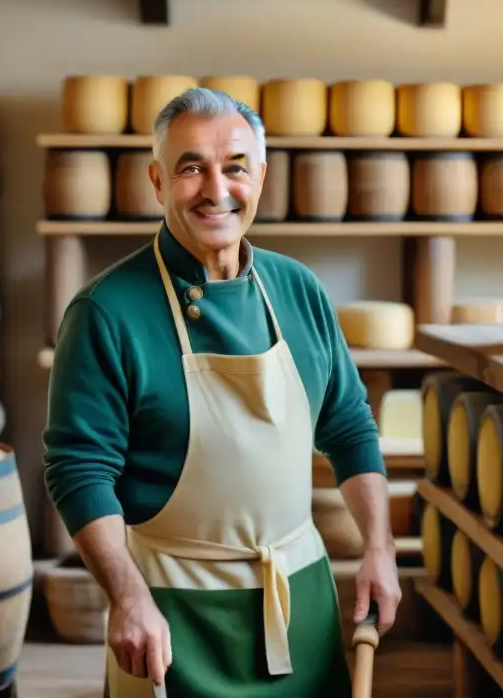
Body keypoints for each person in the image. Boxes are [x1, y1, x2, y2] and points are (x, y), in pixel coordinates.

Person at [43, 87, 402, 698]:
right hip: (171, 618)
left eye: (235, 166)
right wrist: (127, 599)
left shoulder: (299, 290)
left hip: (301, 609)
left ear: (259, 176)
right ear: (157, 182)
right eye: (190, 168)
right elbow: (78, 470)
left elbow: (347, 425)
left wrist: (379, 546)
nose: (216, 188)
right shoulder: (106, 311)